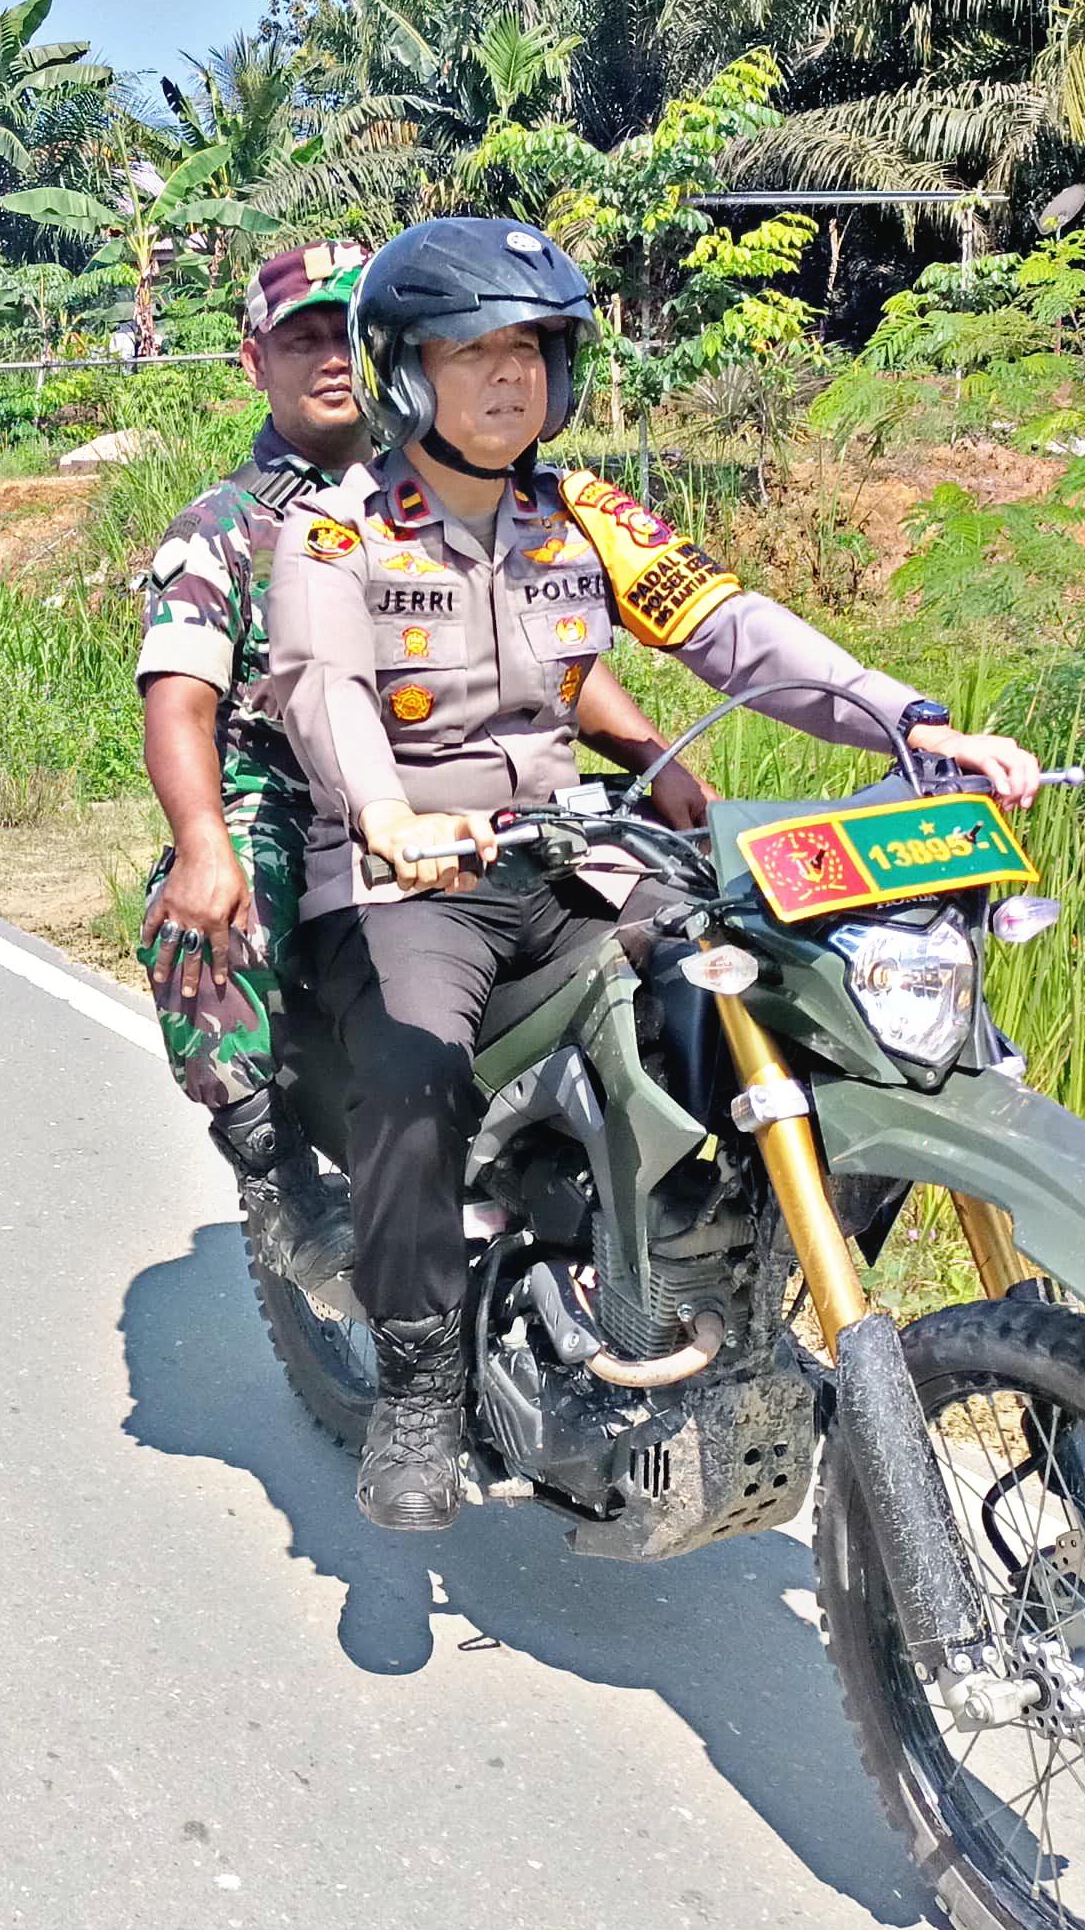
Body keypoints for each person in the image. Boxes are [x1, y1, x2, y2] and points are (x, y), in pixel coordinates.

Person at [268, 218, 1041, 1532]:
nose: (511, 377)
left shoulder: (584, 518)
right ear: (405, 370)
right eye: (474, 352)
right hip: (411, 875)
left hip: (572, 847)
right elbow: (323, 690)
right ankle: (414, 1379)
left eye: (532, 349)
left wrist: (913, 722)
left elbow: (738, 632)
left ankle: (717, 1278)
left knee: (773, 979)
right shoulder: (336, 534)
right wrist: (386, 810)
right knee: (412, 1067)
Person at [139, 241, 719, 1298]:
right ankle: (276, 1175)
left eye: (340, 335)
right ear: (252, 360)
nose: (324, 359)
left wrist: (648, 754)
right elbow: (180, 693)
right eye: (298, 337)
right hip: (289, 790)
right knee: (210, 915)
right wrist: (200, 841)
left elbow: (547, 662)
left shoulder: (481, 481)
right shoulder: (229, 525)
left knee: (700, 912)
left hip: (477, 795)